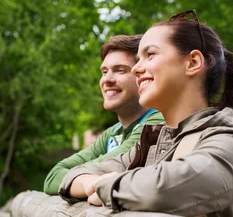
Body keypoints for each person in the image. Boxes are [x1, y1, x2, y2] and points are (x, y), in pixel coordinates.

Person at [58, 10, 233, 217]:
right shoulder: (154, 142)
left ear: (192, 62)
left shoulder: (227, 136)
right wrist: (97, 183)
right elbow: (71, 176)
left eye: (150, 55)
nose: (137, 68)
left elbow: (188, 182)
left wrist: (106, 187)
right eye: (138, 59)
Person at [43, 34, 165, 195]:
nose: (107, 80)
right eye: (104, 71)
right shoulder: (112, 133)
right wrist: (89, 182)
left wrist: (75, 180)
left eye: (119, 70)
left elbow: (112, 167)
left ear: (142, 74)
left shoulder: (158, 120)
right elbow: (52, 178)